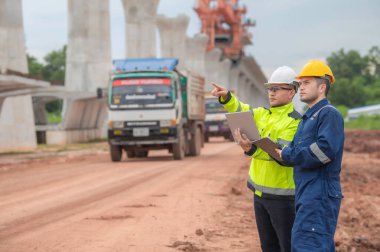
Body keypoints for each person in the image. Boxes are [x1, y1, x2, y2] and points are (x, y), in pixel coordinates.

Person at [211, 66, 301, 252]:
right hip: (259, 194)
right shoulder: (262, 113)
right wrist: (227, 97)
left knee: (288, 247)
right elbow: (240, 109)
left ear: (291, 92)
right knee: (268, 247)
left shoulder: (295, 121)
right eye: (270, 88)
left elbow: (281, 154)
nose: (271, 93)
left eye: (277, 89)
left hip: (282, 198)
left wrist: (252, 149)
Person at [276, 60, 344, 251]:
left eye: (306, 83)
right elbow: (297, 152)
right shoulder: (307, 118)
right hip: (307, 192)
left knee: (307, 246)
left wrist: (288, 154)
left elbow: (323, 152)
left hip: (319, 193)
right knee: (314, 244)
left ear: (322, 87)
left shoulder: (328, 114)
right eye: (300, 83)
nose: (300, 88)